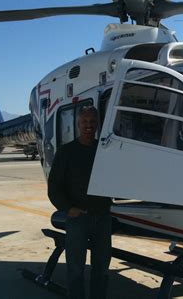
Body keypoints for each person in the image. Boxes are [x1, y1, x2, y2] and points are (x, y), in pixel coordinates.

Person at [48, 106, 112, 299]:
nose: (88, 126)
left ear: (97, 125)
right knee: (75, 268)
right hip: (78, 219)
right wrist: (68, 209)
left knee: (101, 267)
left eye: (92, 122)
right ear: (77, 125)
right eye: (84, 122)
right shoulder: (66, 152)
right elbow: (54, 188)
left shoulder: (104, 151)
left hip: (102, 217)